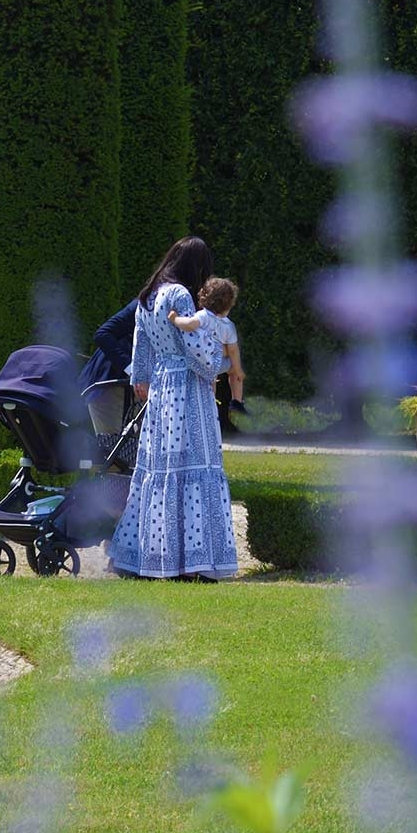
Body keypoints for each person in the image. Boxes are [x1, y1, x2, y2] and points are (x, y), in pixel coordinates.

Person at [107, 237, 237, 581]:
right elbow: (198, 351)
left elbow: (141, 349)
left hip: (162, 390)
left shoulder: (148, 296)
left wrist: (144, 379)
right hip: (187, 388)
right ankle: (193, 562)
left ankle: (148, 557)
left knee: (161, 470)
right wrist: (224, 363)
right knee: (196, 463)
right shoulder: (179, 294)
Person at [168, 277, 248, 417]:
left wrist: (175, 319)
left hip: (197, 363)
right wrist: (238, 369)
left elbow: (189, 325)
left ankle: (209, 405)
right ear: (228, 305)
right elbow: (233, 350)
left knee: (210, 376)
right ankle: (236, 400)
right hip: (215, 364)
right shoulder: (228, 325)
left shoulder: (202, 316)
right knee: (231, 371)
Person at [78, 300, 138, 435]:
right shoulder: (145, 303)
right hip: (110, 383)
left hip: (133, 388)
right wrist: (131, 370)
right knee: (111, 447)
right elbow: (103, 334)